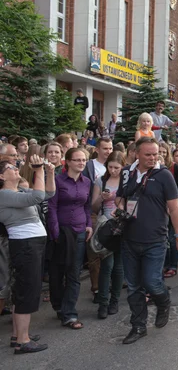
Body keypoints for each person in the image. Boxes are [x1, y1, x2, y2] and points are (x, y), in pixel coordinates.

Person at [115, 137, 178, 344]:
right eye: (147, 154)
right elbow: (120, 198)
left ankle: (163, 301)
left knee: (152, 282)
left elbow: (174, 209)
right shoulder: (126, 173)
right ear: (136, 154)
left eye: (155, 154)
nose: (152, 157)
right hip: (129, 239)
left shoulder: (164, 175)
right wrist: (120, 209)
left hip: (155, 240)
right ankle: (138, 326)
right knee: (133, 287)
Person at [0, 156, 55, 354]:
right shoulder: (3, 194)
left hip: (31, 245)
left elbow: (48, 193)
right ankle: (23, 341)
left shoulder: (19, 190)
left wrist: (50, 172)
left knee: (23, 290)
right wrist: (38, 170)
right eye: (9, 167)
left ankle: (18, 335)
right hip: (25, 245)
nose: (15, 168)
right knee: (27, 291)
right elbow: (38, 197)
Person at [46, 147, 93, 330]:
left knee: (74, 273)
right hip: (61, 231)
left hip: (80, 231)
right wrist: (55, 232)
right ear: (68, 162)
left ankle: (70, 313)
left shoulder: (87, 182)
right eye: (77, 160)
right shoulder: (57, 181)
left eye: (83, 160)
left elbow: (87, 206)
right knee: (57, 273)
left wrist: (89, 224)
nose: (81, 163)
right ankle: (58, 305)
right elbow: (51, 207)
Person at [91, 151, 125, 319]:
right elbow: (94, 207)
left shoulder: (126, 181)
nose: (113, 170)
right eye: (110, 167)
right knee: (107, 265)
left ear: (122, 167)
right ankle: (103, 303)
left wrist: (120, 205)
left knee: (119, 266)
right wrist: (102, 199)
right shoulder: (101, 180)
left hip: (121, 225)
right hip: (105, 224)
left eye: (117, 167)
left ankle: (115, 301)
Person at [82, 137, 113, 302]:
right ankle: (96, 287)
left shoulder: (113, 165)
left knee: (109, 252)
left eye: (110, 148)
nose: (108, 151)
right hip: (93, 212)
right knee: (94, 251)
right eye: (105, 148)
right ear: (97, 150)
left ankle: (107, 285)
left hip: (110, 213)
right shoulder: (90, 166)